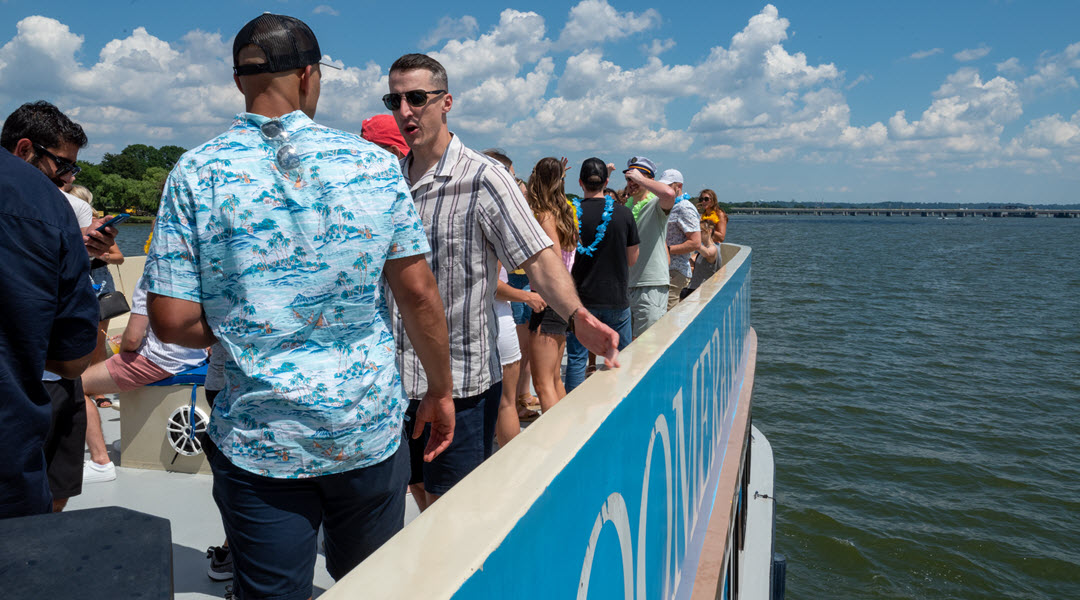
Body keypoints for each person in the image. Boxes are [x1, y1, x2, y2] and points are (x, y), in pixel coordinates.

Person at [142, 14, 454, 600]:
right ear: (310, 77)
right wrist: (439, 390)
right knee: (372, 585)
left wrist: (258, 314)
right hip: (366, 429)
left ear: (240, 81)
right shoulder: (374, 165)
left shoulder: (196, 172)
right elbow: (419, 296)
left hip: (261, 441)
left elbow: (174, 321)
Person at [386, 53, 620, 510]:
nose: (405, 111)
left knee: (450, 507)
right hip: (397, 382)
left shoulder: (485, 178)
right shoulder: (392, 180)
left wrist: (578, 316)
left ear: (446, 102)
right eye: (394, 100)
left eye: (416, 98)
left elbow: (538, 257)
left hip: (461, 382)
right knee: (414, 490)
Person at [2, 100, 119, 512]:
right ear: (24, 149)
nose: (66, 178)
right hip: (28, 397)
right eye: (61, 165)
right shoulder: (52, 210)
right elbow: (72, 357)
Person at [80, 276, 208, 483]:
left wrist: (121, 352)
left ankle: (100, 462)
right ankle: (135, 441)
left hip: (159, 361)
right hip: (194, 357)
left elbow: (132, 339)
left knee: (73, 385)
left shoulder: (151, 278)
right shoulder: (195, 274)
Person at [565, 158, 640, 392]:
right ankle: (622, 402)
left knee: (577, 360)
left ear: (580, 182)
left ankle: (575, 410)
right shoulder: (624, 214)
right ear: (606, 182)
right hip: (616, 299)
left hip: (580, 301)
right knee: (621, 355)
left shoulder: (570, 215)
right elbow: (632, 259)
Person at [483, 148, 543, 421]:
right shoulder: (491, 220)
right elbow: (492, 284)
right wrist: (526, 296)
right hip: (501, 305)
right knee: (505, 398)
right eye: (511, 177)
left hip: (504, 301)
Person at [524, 157, 579, 413]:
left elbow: (554, 258)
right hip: (561, 301)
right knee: (554, 378)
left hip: (548, 300)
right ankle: (567, 430)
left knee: (542, 383)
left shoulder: (544, 215)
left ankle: (554, 442)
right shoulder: (564, 211)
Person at [623, 157, 676, 338]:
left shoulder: (656, 205)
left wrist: (641, 180)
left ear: (650, 180)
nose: (632, 183)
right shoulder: (627, 208)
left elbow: (669, 194)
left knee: (648, 344)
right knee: (628, 346)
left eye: (636, 178)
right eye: (629, 179)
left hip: (651, 284)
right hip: (627, 284)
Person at [660, 169, 701, 309]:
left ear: (679, 186)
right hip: (664, 270)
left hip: (676, 272)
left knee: (668, 316)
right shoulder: (669, 206)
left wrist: (667, 249)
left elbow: (695, 242)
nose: (665, 190)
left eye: (668, 186)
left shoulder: (685, 208)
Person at [681, 221, 722, 300]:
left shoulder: (714, 248)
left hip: (700, 290)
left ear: (709, 231)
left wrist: (694, 243)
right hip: (695, 288)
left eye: (700, 231)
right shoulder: (705, 249)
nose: (697, 234)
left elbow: (708, 253)